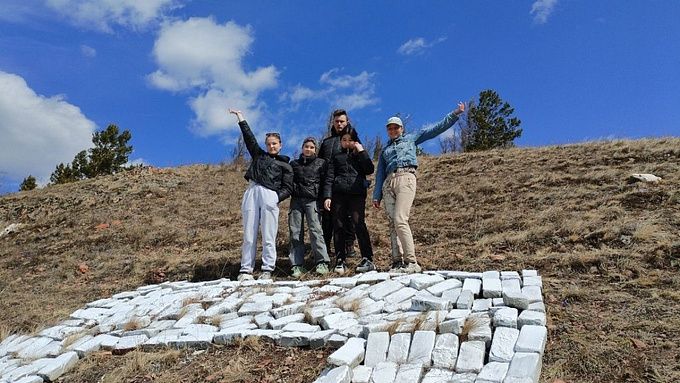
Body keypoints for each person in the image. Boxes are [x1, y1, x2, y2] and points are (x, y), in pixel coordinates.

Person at [373, 102, 466, 273]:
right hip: (388, 182)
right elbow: (379, 173)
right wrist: (376, 195)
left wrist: (454, 114)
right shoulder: (385, 149)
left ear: (401, 129)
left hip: (406, 177)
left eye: (396, 128)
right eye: (390, 128)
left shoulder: (411, 138)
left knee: (401, 219)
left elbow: (434, 130)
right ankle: (397, 262)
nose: (393, 131)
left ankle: (411, 262)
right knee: (393, 223)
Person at [229, 109, 293, 281]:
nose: (271, 146)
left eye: (275, 144)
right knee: (249, 233)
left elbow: (288, 187)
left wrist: (276, 197)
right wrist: (240, 117)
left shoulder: (286, 165)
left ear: (280, 145)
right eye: (269, 143)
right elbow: (249, 137)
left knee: (268, 233)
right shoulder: (259, 155)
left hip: (270, 195)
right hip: (252, 191)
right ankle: (245, 269)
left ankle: (267, 269)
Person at [323, 126, 375, 274]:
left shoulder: (360, 155)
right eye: (344, 140)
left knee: (359, 223)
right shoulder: (336, 157)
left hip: (357, 194)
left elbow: (369, 169)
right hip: (338, 194)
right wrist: (327, 196)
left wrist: (362, 151)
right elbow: (329, 178)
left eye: (350, 140)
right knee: (338, 225)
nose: (347, 142)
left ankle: (367, 258)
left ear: (355, 140)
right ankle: (340, 260)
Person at [288, 137, 331, 278]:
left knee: (316, 230)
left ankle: (322, 262)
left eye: (312, 147)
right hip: (296, 201)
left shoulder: (321, 163)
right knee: (295, 232)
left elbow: (326, 182)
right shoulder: (293, 164)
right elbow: (288, 182)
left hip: (313, 201)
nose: (308, 149)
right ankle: (296, 265)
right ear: (302, 148)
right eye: (306, 146)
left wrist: (325, 198)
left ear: (315, 149)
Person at [318, 109, 357, 257]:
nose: (339, 124)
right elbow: (320, 162)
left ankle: (349, 245)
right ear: (332, 123)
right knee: (327, 218)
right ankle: (326, 248)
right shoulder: (326, 142)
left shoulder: (352, 139)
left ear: (347, 122)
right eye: (337, 121)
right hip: (328, 184)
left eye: (342, 121)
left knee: (348, 215)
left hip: (347, 183)